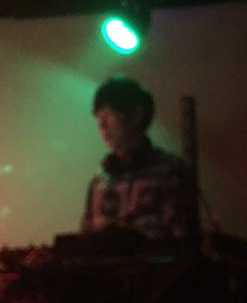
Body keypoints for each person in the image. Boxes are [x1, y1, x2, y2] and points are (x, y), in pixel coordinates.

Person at [81, 75, 197, 252]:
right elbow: (84, 242)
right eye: (99, 119)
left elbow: (181, 241)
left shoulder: (171, 171)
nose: (102, 126)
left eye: (108, 116)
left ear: (136, 115)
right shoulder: (99, 180)